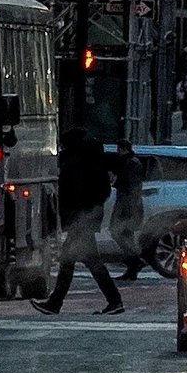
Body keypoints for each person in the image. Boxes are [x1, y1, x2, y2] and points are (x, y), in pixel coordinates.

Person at [37, 128, 122, 315]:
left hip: (81, 220)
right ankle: (113, 300)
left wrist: (75, 217)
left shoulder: (78, 164)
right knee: (86, 262)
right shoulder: (88, 161)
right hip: (84, 219)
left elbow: (74, 194)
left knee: (70, 261)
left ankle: (55, 303)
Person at [109, 141, 148, 280]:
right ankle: (132, 268)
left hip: (127, 205)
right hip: (129, 204)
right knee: (126, 234)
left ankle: (135, 261)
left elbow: (129, 185)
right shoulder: (131, 162)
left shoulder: (129, 163)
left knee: (118, 231)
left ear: (123, 149)